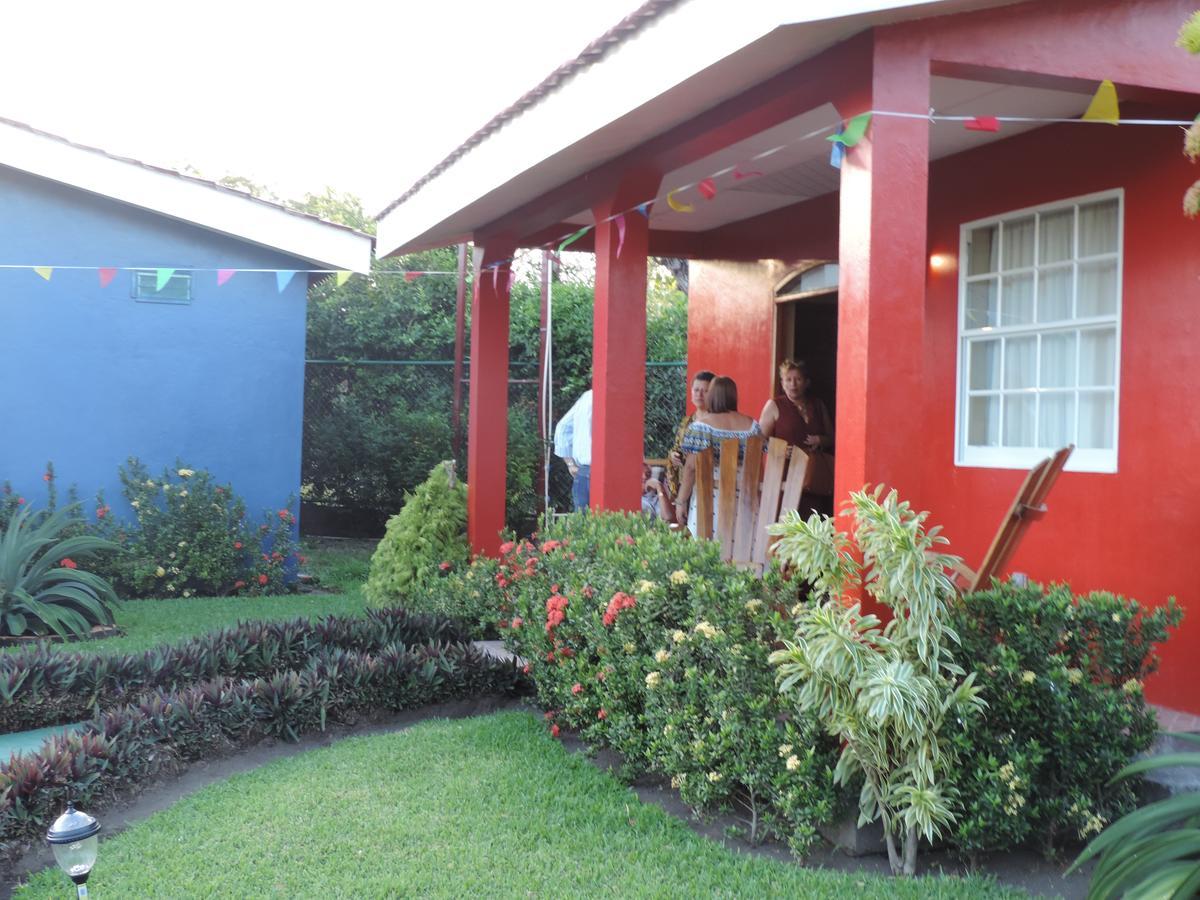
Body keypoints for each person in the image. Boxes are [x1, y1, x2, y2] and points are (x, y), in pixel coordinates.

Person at [673, 376, 762, 537]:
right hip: (744, 495)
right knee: (741, 545)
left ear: (712, 396)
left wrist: (681, 501)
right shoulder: (753, 426)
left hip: (710, 495)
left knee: (709, 548)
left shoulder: (701, 427)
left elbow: (691, 468)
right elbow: (758, 466)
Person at [758, 358, 834, 516]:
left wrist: (820, 440)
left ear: (806, 382)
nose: (793, 384)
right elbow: (760, 441)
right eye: (788, 379)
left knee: (814, 522)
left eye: (798, 379)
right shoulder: (774, 406)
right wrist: (780, 450)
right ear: (782, 382)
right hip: (783, 475)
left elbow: (833, 438)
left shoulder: (818, 405)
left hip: (813, 477)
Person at [665, 370, 715, 505]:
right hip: (685, 484)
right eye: (696, 390)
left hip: (709, 485)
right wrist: (674, 456)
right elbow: (677, 448)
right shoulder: (687, 422)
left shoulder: (718, 422)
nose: (699, 394)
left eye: (705, 391)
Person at [554, 388, 592, 511]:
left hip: (582, 472)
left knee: (582, 524)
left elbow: (562, 427)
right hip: (607, 473)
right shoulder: (613, 397)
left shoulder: (587, 397)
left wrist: (570, 464)